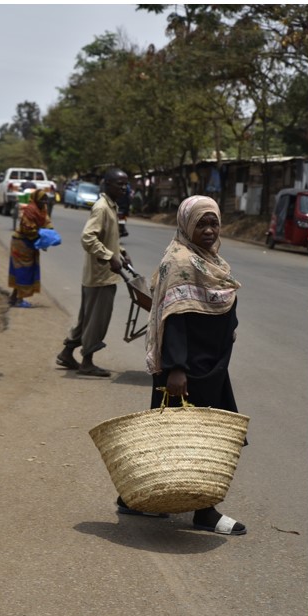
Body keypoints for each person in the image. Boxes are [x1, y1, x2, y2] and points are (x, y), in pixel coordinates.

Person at [122, 194, 246, 535]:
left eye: (213, 223)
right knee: (196, 439)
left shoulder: (210, 260)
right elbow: (173, 319)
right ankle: (205, 511)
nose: (208, 230)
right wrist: (176, 369)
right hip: (186, 370)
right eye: (201, 223)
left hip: (212, 365)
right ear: (186, 225)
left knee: (173, 436)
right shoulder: (179, 261)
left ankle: (131, 497)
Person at [56, 167, 130, 377]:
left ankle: (66, 353)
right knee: (97, 319)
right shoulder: (101, 208)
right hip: (100, 276)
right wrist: (109, 256)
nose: (124, 188)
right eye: (120, 184)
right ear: (107, 184)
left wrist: (121, 252)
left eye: (126, 184)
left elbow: (108, 238)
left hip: (98, 275)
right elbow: (88, 238)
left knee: (87, 318)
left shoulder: (111, 206)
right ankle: (87, 362)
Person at [8, 188, 54, 308]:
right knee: (23, 270)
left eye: (45, 201)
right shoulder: (30, 210)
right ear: (36, 199)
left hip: (30, 243)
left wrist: (50, 232)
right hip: (22, 243)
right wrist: (41, 235)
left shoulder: (42, 209)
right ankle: (19, 299)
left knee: (22, 270)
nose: (44, 203)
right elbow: (27, 228)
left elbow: (47, 222)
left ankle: (13, 297)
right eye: (42, 200)